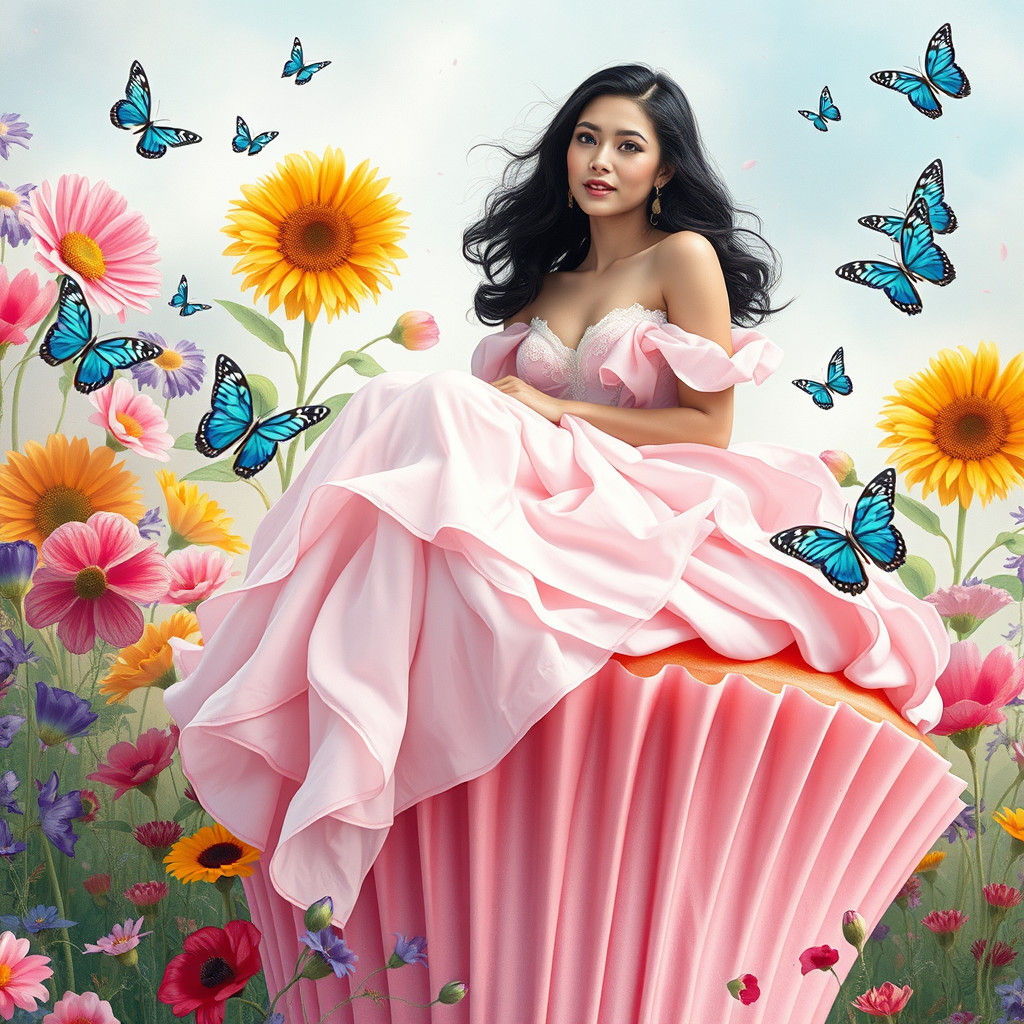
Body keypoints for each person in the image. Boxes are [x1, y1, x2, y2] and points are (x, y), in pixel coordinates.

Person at [164, 64, 960, 1023]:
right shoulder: (551, 276)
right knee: (401, 399)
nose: (603, 160)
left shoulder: (682, 260)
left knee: (430, 401)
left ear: (664, 169)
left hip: (643, 479)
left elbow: (709, 427)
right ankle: (341, 701)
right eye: (588, 137)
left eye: (629, 144)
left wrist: (550, 406)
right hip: (546, 476)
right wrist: (524, 417)